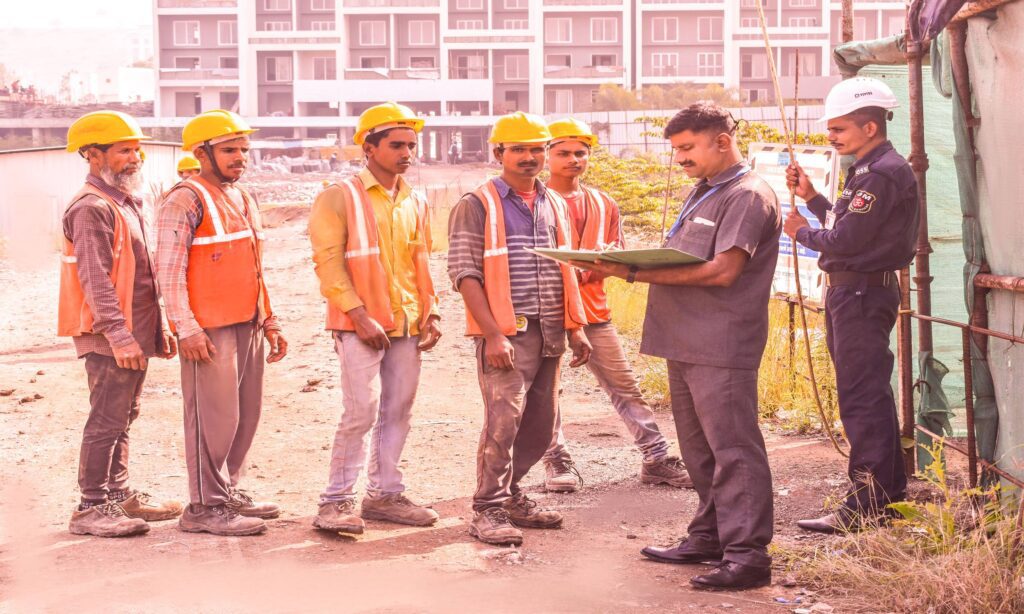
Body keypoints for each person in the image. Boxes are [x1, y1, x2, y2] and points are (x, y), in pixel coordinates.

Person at [572, 102, 780, 591]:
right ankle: (709, 536)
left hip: (721, 342)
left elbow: (723, 270)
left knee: (733, 450)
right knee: (700, 452)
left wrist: (632, 271)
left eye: (687, 148)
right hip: (685, 340)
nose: (680, 158)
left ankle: (748, 557)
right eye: (676, 149)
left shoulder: (748, 195)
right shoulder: (706, 191)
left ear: (722, 141)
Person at [447, 112, 592, 546]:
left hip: (551, 331)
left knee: (541, 425)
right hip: (508, 333)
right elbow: (465, 273)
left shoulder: (554, 203)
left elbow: (565, 269)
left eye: (536, 149)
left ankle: (511, 495)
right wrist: (492, 334)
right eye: (519, 149)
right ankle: (487, 508)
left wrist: (576, 326)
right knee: (503, 423)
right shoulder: (477, 205)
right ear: (499, 153)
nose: (529, 157)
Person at [785, 77, 918, 534]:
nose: (831, 137)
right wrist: (812, 198)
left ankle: (866, 503)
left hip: (861, 292)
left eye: (839, 129)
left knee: (861, 398)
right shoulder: (868, 169)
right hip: (856, 290)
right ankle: (887, 493)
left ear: (869, 126)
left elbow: (844, 240)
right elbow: (850, 225)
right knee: (869, 394)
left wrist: (799, 231)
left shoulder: (880, 173)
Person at [308, 102, 442, 534]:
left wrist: (432, 311)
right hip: (359, 324)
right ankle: (335, 502)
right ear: (369, 148)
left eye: (411, 145)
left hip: (407, 322)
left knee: (398, 409)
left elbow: (419, 262)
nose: (406, 153)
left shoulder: (414, 200)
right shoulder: (338, 197)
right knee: (360, 411)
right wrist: (358, 313)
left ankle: (385, 494)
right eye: (396, 145)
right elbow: (328, 263)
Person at [155, 109, 289, 536]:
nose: (240, 158)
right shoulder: (184, 198)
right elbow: (169, 271)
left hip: (246, 323)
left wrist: (270, 320)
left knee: (244, 415)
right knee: (212, 419)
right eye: (230, 150)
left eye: (244, 150)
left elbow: (254, 267)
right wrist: (186, 328)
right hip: (208, 331)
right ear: (202, 153)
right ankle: (203, 507)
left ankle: (227, 490)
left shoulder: (243, 198)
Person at [540, 118, 691, 493]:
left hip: (592, 308)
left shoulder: (603, 203)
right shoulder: (535, 202)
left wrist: (602, 267)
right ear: (547, 155)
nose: (573, 160)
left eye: (580, 153)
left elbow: (616, 256)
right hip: (546, 309)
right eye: (563, 153)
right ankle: (556, 460)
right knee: (547, 390)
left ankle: (656, 457)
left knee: (624, 384)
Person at [60, 111, 183, 538]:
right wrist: (118, 335)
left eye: (136, 149)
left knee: (124, 415)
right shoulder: (91, 208)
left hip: (135, 330)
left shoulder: (127, 202)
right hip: (111, 335)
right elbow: (94, 279)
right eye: (124, 150)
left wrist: (159, 327)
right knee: (107, 418)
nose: (136, 157)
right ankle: (91, 507)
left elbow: (142, 273)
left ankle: (118, 493)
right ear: (94, 155)